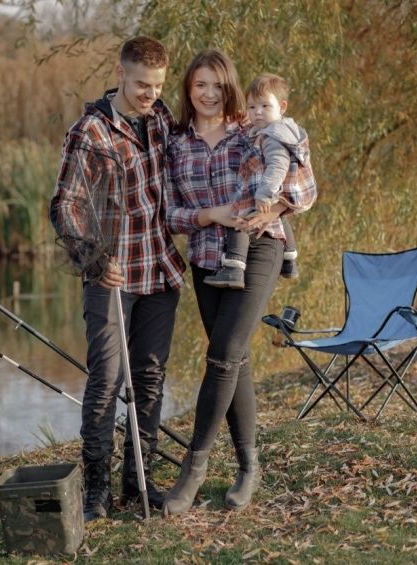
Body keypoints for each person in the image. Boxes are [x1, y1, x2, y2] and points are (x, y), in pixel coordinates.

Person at [162, 50, 316, 514]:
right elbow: (170, 214)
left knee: (223, 353)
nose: (208, 94)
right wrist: (211, 214)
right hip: (208, 260)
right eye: (199, 85)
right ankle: (249, 466)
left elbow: (304, 188)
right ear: (188, 90)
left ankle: (195, 467)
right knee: (236, 360)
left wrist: (268, 209)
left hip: (258, 247)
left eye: (217, 85)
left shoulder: (252, 130)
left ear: (229, 88)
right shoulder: (175, 145)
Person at [50, 36, 187, 521]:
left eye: (157, 85)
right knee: (106, 381)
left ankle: (139, 484)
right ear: (120, 72)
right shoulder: (90, 131)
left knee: (150, 380)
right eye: (142, 84)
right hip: (110, 277)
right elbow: (64, 205)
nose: (150, 93)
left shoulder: (163, 120)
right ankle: (97, 494)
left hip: (160, 271)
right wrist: (91, 256)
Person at [203, 73, 315, 289]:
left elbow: (278, 165)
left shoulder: (273, 136)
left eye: (265, 106)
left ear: (282, 107)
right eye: (252, 107)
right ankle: (289, 258)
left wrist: (265, 193)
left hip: (263, 190)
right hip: (272, 191)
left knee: (240, 218)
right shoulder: (277, 130)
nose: (258, 112)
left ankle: (234, 268)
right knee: (279, 217)